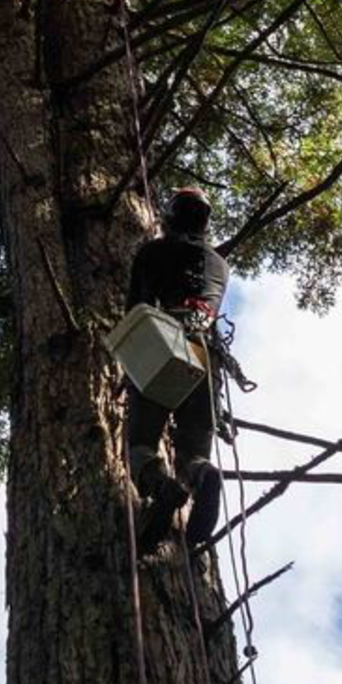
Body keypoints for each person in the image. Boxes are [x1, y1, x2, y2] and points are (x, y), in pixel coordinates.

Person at [124, 186, 237, 551]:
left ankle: (161, 487)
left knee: (140, 444)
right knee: (194, 450)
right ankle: (201, 474)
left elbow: (137, 311)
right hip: (207, 355)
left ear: (172, 216)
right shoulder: (221, 265)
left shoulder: (154, 251)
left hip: (166, 344)